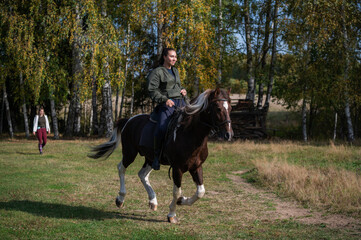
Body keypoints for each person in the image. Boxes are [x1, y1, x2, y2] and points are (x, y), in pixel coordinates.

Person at [147, 48, 187, 170]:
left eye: (175, 56)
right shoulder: (157, 72)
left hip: (181, 102)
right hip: (167, 104)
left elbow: (176, 86)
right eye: (171, 56)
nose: (174, 59)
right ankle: (156, 157)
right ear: (164, 57)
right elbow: (152, 90)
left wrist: (183, 90)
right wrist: (165, 100)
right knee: (162, 127)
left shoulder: (175, 70)